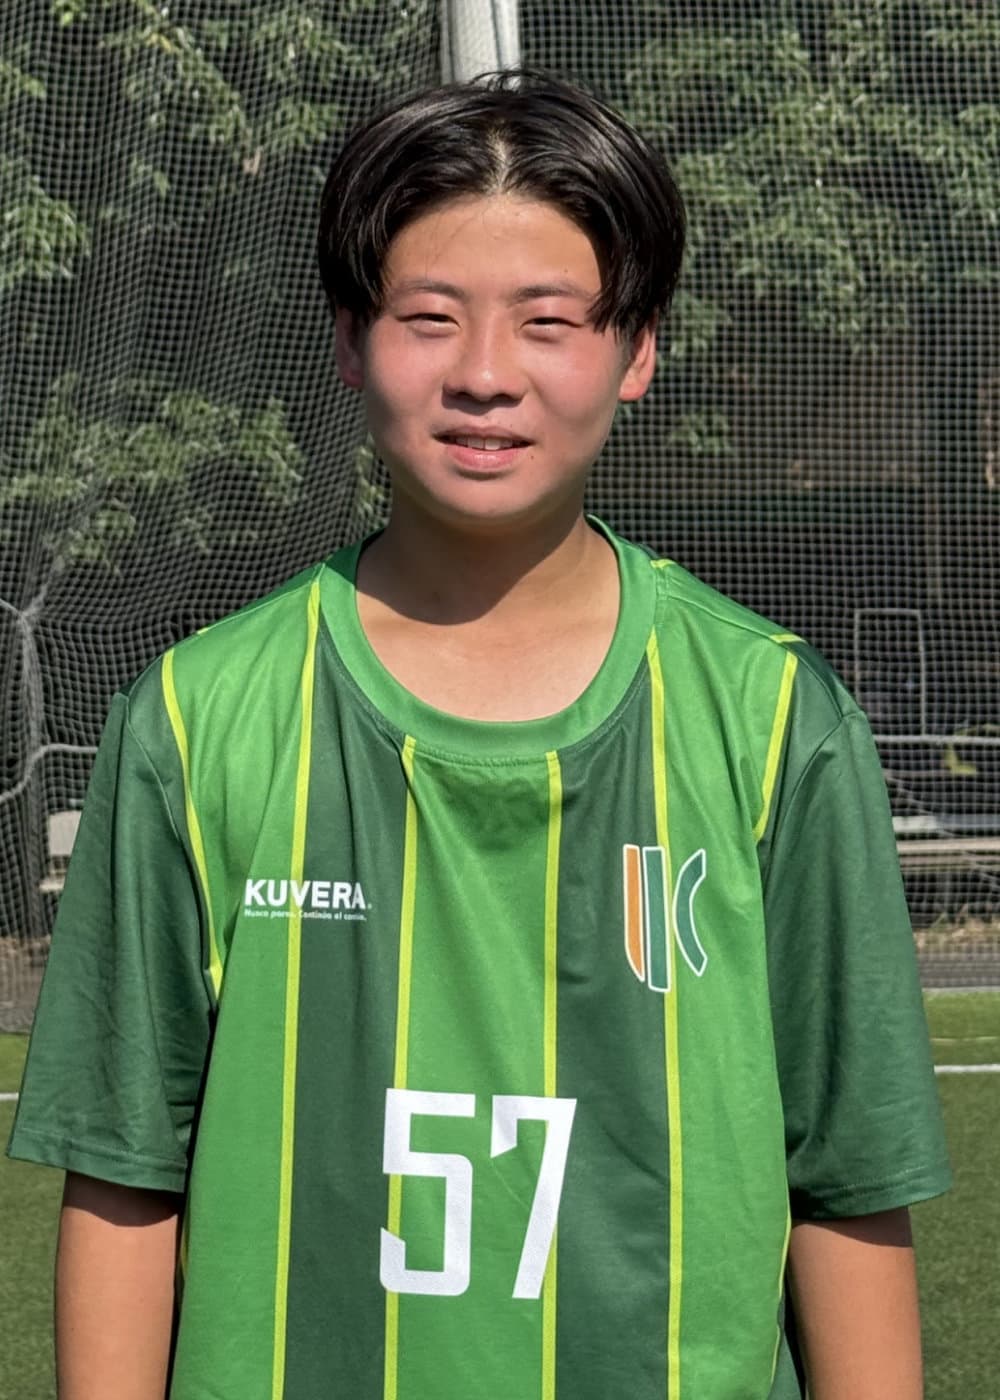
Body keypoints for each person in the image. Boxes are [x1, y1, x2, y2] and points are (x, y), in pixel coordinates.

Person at [8, 69, 949, 1400]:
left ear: (638, 350)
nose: (486, 376)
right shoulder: (195, 718)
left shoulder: (774, 719)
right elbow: (123, 1173)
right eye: (430, 318)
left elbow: (847, 1178)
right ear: (351, 341)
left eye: (548, 321)